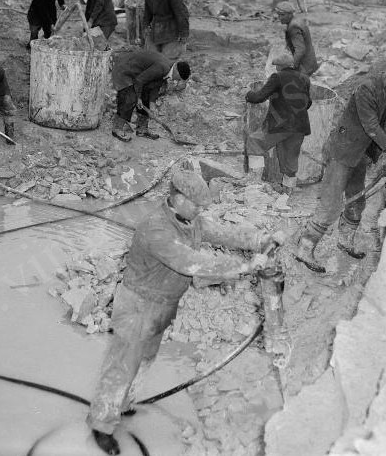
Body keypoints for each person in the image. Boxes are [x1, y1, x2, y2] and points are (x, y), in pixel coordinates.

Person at [87, 169, 286, 455]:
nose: (200, 210)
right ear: (178, 198)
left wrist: (260, 239)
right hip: (138, 305)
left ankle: (123, 404)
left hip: (163, 304)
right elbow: (190, 262)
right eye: (196, 204)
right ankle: (101, 424)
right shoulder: (156, 229)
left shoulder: (190, 220)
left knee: (144, 359)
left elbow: (223, 233)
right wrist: (244, 267)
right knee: (122, 365)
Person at [294, 66, 386, 273]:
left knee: (357, 200)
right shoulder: (366, 89)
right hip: (342, 152)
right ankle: (304, 248)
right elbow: (371, 126)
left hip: (360, 153)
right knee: (331, 203)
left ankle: (344, 240)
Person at [245, 53, 312, 193]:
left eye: (276, 66)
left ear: (280, 66)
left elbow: (259, 97)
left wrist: (248, 94)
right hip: (300, 126)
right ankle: (288, 190)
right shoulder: (305, 79)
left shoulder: (278, 77)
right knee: (290, 158)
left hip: (280, 124)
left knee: (254, 141)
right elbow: (308, 102)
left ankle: (254, 182)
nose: (275, 69)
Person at [110, 47, 191, 142]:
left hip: (137, 74)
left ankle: (142, 129)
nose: (177, 81)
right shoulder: (162, 67)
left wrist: (151, 104)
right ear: (177, 71)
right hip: (125, 70)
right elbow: (139, 80)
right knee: (130, 97)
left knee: (146, 96)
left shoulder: (168, 68)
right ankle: (117, 128)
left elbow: (155, 86)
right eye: (179, 78)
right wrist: (138, 98)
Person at [139, 0, 189, 67]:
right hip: (156, 32)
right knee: (151, 61)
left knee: (167, 63)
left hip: (170, 33)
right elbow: (147, 11)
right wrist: (145, 27)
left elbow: (181, 13)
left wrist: (184, 33)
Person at [275, 1, 319, 76]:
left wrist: (292, 65)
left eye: (282, 15)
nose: (279, 18)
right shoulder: (297, 20)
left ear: (290, 14)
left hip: (305, 68)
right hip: (310, 64)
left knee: (279, 68)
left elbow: (300, 50)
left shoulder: (293, 27)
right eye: (278, 15)